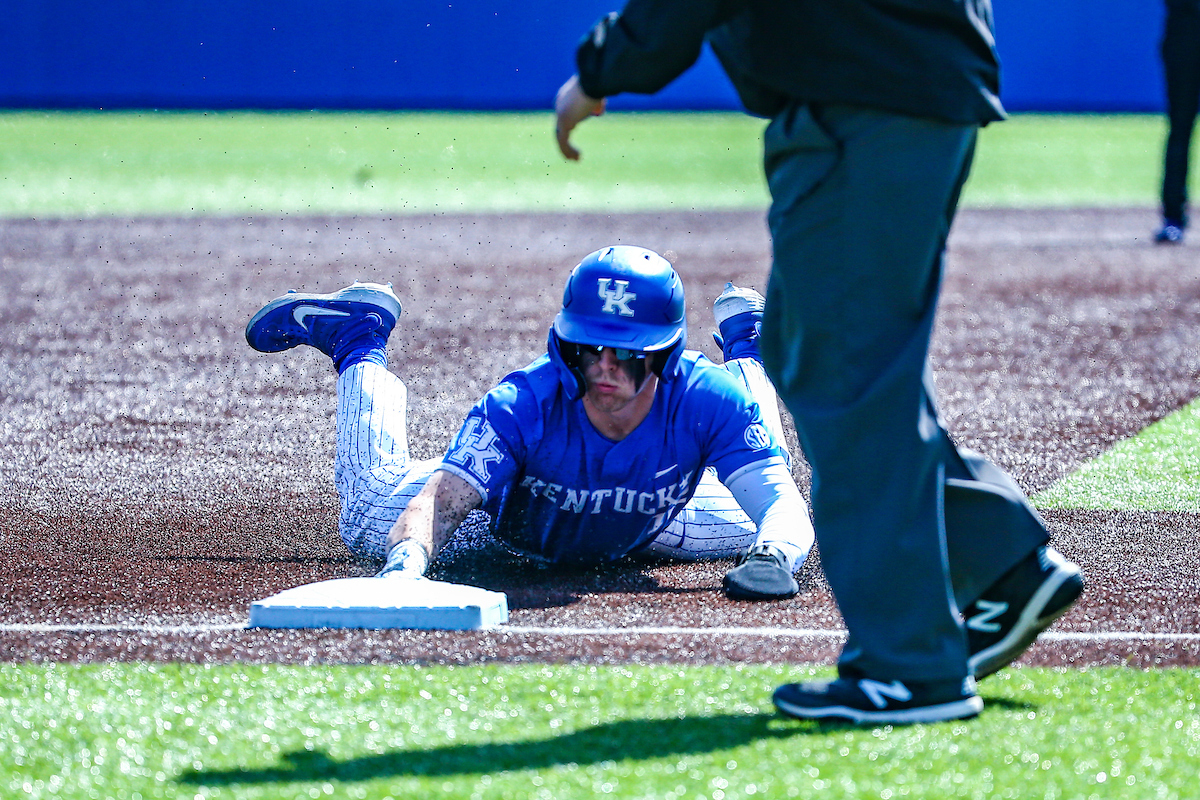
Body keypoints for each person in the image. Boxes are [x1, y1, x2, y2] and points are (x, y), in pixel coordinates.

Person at [553, 1, 1083, 724]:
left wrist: (604, 65)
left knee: (845, 375)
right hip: (902, 82)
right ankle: (997, 561)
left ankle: (909, 667)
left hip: (864, 97)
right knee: (822, 357)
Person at [244, 245, 815, 601]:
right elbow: (442, 499)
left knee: (765, 511)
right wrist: (407, 567)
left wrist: (772, 557)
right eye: (591, 348)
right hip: (501, 528)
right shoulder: (522, 403)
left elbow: (781, 503)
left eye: (629, 352)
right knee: (364, 508)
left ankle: (749, 347)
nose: (605, 367)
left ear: (666, 356)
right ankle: (358, 341)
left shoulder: (706, 397)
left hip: (653, 517)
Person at [1157, 0, 1200, 244]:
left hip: (1183, 32)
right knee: (1180, 129)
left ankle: (1173, 219)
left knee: (1179, 131)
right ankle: (1173, 219)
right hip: (1185, 33)